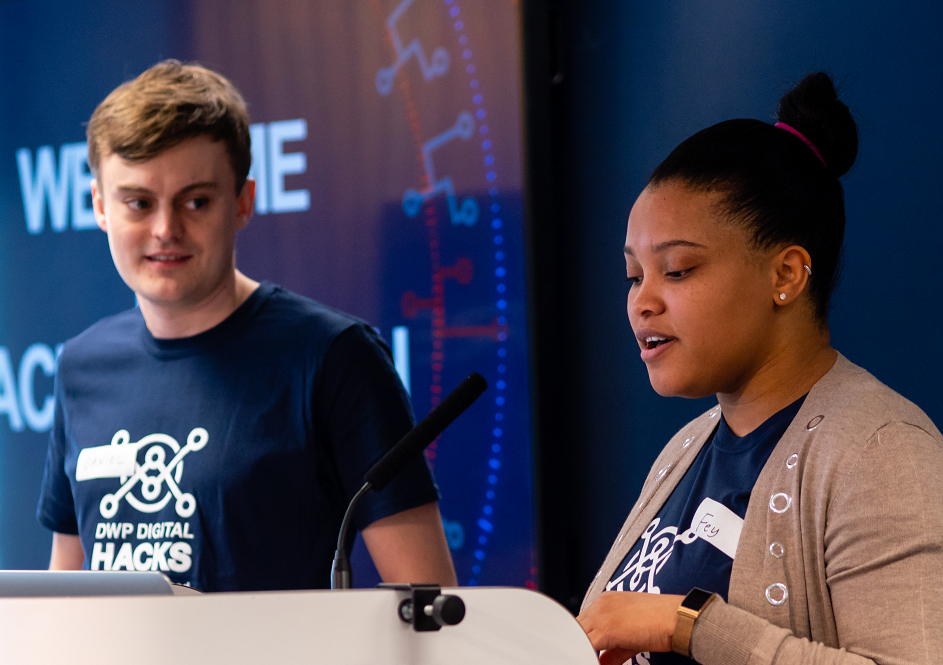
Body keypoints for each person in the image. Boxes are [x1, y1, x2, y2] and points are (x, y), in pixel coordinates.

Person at [35, 60, 457, 591]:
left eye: (196, 201)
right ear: (99, 206)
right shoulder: (81, 366)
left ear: (242, 203)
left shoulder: (333, 357)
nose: (166, 230)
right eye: (139, 203)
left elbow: (430, 606)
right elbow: (62, 602)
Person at [576, 73, 943, 664]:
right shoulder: (685, 450)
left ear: (786, 276)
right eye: (632, 275)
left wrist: (689, 624)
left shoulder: (881, 451)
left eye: (676, 270)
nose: (642, 301)